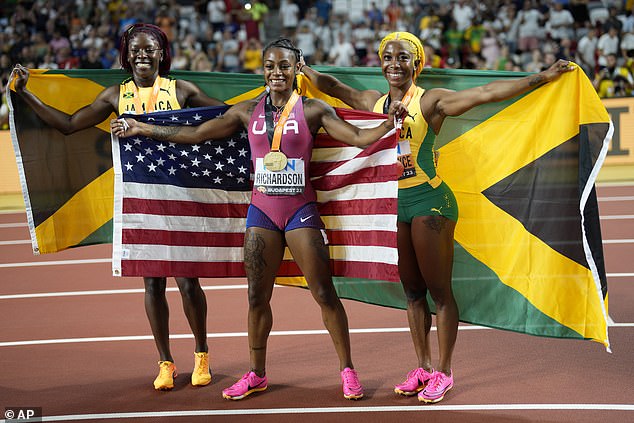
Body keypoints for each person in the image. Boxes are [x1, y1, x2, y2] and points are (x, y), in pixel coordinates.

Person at [110, 37, 406, 401]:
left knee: (324, 293)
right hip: (262, 213)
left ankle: (347, 371)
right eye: (270, 66)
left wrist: (389, 124)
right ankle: (256, 374)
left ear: (298, 67)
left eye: (284, 65)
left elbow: (360, 138)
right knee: (256, 297)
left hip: (300, 212)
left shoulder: (313, 110)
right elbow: (195, 135)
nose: (277, 72)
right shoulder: (244, 112)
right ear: (262, 69)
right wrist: (142, 128)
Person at [299, 31, 574, 403]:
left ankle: (444, 372)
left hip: (431, 204)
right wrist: (303, 68)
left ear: (417, 64)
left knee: (440, 294)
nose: (394, 64)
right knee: (412, 293)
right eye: (388, 57)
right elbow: (334, 86)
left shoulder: (432, 102)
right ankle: (423, 367)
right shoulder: (373, 102)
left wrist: (543, 76)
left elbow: (486, 94)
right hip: (393, 206)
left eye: (403, 58)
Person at [13, 23, 225, 391]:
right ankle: (165, 362)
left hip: (179, 197)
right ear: (127, 55)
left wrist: (273, 97)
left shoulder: (181, 90)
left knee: (188, 282)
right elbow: (67, 125)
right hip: (139, 199)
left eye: (150, 49)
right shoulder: (115, 96)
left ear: (162, 54)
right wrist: (25, 92)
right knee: (152, 282)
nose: (143, 55)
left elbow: (227, 116)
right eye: (136, 50)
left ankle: (202, 355)